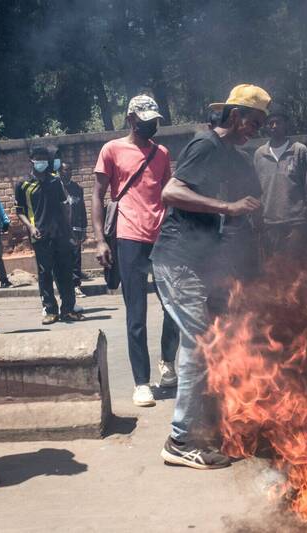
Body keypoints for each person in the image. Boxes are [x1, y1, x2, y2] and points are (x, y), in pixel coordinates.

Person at [151, 84, 268, 469]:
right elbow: (171, 192)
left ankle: (210, 426)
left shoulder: (233, 157)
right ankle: (180, 440)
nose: (257, 130)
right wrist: (229, 206)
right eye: (253, 122)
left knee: (218, 341)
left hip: (203, 263)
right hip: (178, 259)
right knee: (199, 346)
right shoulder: (205, 145)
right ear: (234, 116)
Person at [92, 95, 180, 408]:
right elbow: (99, 195)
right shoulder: (112, 150)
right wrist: (100, 240)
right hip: (129, 238)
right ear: (131, 119)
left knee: (173, 307)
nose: (151, 126)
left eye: (154, 121)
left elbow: (168, 195)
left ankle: (168, 364)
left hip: (163, 240)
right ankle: (141, 382)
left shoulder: (162, 153)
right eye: (144, 122)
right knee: (137, 315)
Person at [14, 146, 82, 324]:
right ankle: (50, 310)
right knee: (45, 274)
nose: (42, 161)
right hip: (40, 235)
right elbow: (20, 211)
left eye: (44, 158)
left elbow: (63, 206)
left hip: (60, 234)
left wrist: (69, 231)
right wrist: (30, 227)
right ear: (31, 160)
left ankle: (68, 309)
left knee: (65, 272)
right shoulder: (23, 185)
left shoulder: (54, 181)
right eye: (38, 158)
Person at [253, 104, 307, 262]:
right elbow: (255, 190)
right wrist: (257, 219)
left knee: (297, 271)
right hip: (269, 223)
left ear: (286, 124)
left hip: (297, 223)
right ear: (266, 127)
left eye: (278, 122)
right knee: (274, 272)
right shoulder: (260, 154)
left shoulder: (299, 151)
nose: (274, 126)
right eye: (270, 123)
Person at [58, 160, 88, 297]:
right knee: (62, 259)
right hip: (60, 231)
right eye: (65, 170)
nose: (68, 172)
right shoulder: (55, 188)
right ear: (59, 171)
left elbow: (82, 210)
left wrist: (84, 229)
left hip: (75, 229)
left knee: (76, 258)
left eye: (70, 170)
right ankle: (64, 287)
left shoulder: (77, 188)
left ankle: (76, 285)